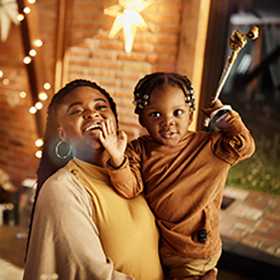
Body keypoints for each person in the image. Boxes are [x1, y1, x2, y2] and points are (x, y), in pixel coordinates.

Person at [23, 79, 218, 280]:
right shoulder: (61, 190)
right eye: (76, 111)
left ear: (115, 121)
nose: (92, 114)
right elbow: (92, 275)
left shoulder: (137, 172)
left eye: (100, 106)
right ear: (62, 134)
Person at [102, 72, 255, 279]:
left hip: (194, 250)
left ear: (191, 115)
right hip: (163, 245)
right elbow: (129, 189)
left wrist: (226, 118)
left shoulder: (210, 146)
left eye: (178, 112)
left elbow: (244, 146)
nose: (168, 122)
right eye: (156, 114)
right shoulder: (137, 150)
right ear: (142, 118)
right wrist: (118, 159)